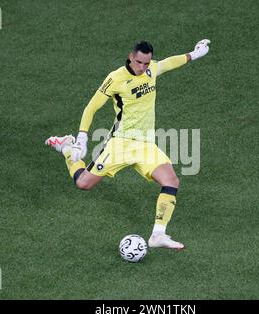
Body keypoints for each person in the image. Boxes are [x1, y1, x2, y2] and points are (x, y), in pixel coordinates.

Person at [45, 39, 211, 249]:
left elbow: (169, 63)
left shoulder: (151, 69)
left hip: (146, 145)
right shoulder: (115, 79)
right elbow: (91, 107)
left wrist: (194, 54)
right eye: (140, 62)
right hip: (120, 144)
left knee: (171, 181)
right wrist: (81, 138)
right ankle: (67, 148)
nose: (143, 67)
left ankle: (158, 234)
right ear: (132, 57)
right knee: (83, 183)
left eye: (147, 63)